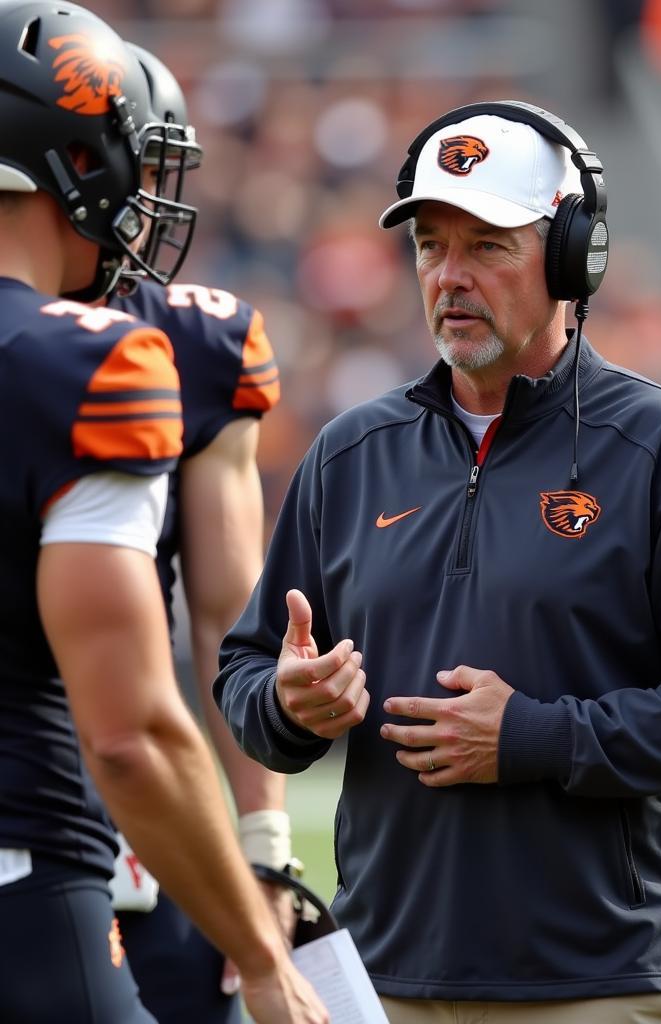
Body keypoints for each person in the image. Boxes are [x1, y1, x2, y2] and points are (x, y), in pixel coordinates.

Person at [217, 99, 661, 1023]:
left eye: (488, 245)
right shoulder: (350, 451)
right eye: (431, 246)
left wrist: (533, 737)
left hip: (598, 981)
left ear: (572, 258)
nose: (450, 276)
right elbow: (243, 672)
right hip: (384, 975)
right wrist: (288, 705)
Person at [0, 4, 325, 1022]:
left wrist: (262, 833)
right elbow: (134, 729)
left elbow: (226, 616)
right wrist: (261, 948)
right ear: (82, 165)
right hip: (40, 846)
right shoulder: (97, 364)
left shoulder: (166, 342)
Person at [99, 44, 298, 1024]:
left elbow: (230, 615)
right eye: (136, 164)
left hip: (140, 812)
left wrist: (261, 842)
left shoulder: (193, 343)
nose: (150, 201)